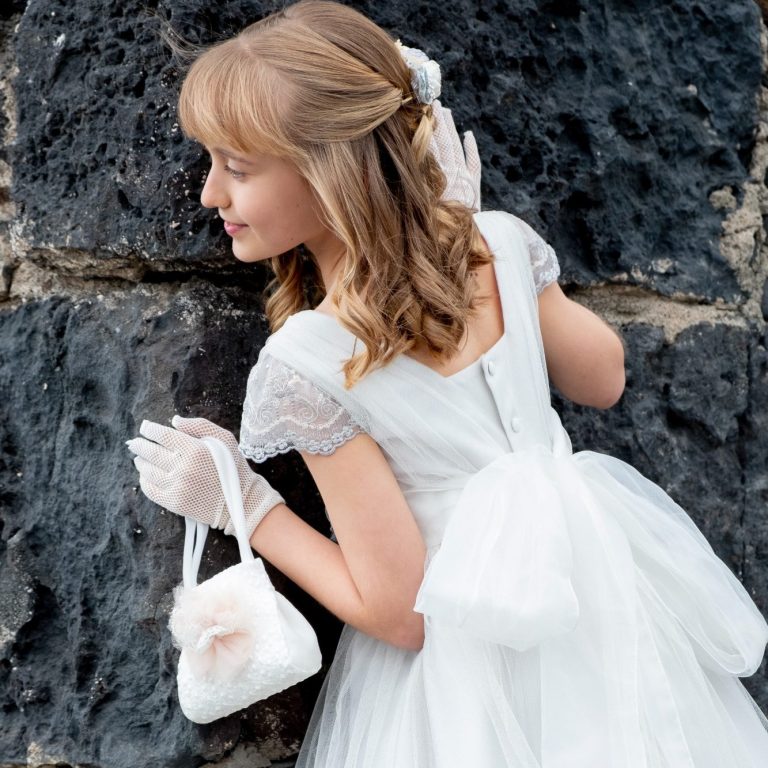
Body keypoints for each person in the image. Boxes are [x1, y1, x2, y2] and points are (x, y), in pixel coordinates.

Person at [126, 1, 768, 764]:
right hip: (598, 615)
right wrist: (466, 229)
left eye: (237, 168)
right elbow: (602, 376)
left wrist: (246, 502)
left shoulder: (309, 358)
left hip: (459, 680)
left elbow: (400, 613)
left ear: (333, 171)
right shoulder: (497, 242)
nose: (210, 194)